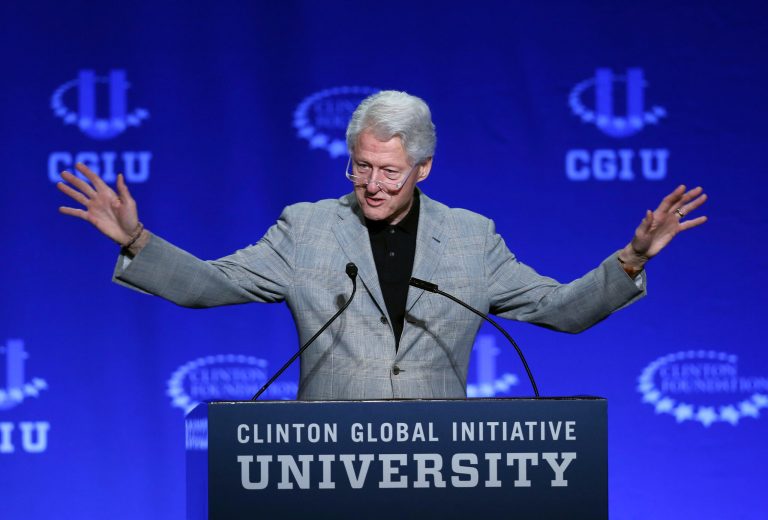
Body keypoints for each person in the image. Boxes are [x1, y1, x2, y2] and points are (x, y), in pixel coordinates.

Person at [56, 91, 708, 400]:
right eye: (360, 166)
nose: (371, 184)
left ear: (424, 168)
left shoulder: (472, 239)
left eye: (388, 171)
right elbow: (210, 285)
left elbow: (560, 311)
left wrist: (633, 259)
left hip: (440, 474)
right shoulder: (305, 227)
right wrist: (138, 241)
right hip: (324, 475)